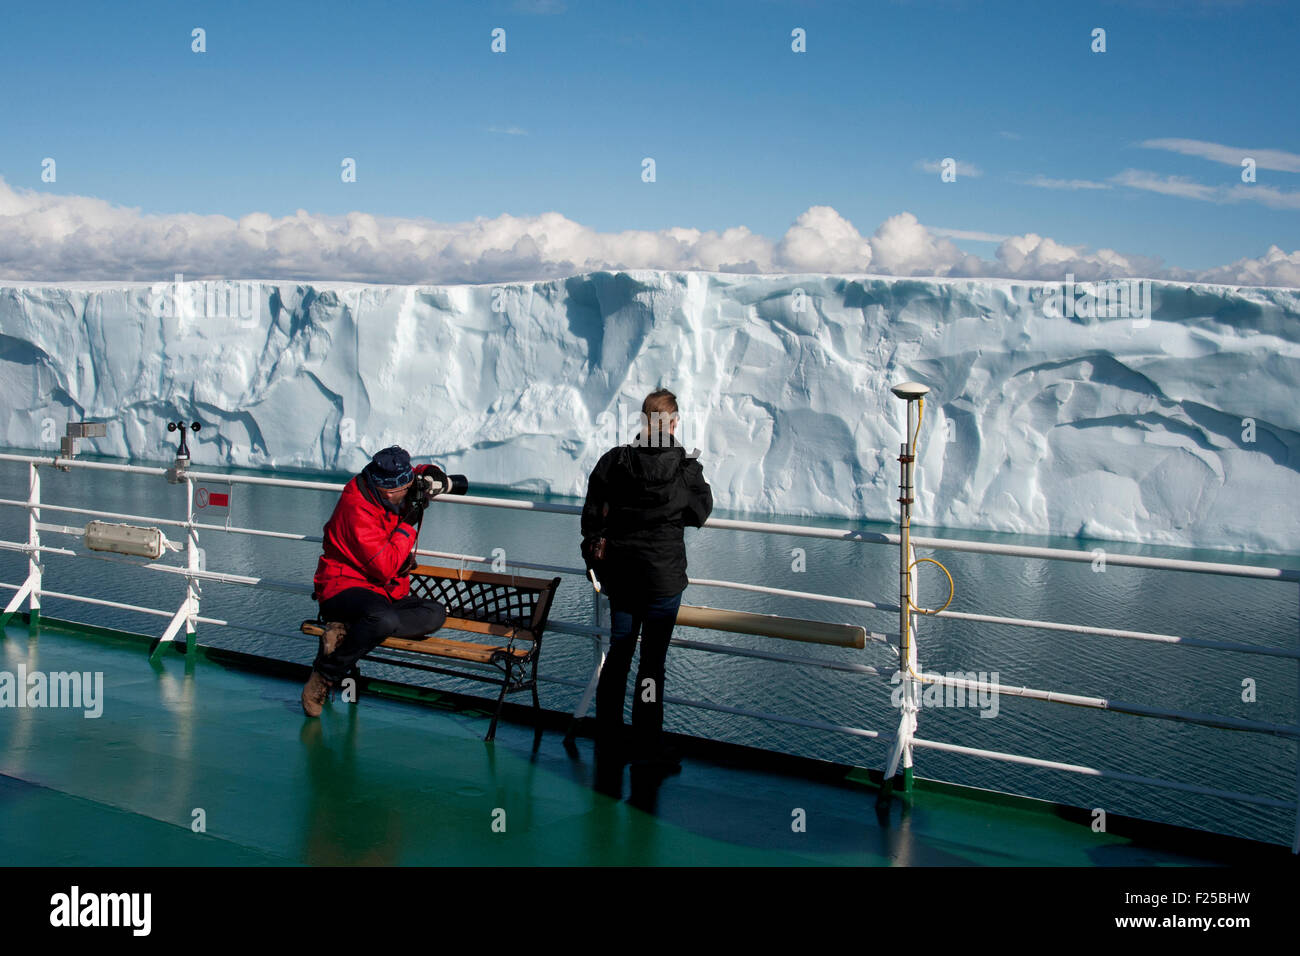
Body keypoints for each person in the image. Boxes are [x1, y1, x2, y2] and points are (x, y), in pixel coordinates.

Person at [580, 389, 713, 770]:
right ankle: (647, 746)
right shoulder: (685, 468)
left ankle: (608, 740)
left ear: (642, 422)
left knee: (619, 654)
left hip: (621, 577)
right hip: (662, 581)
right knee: (652, 664)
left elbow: (592, 512)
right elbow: (700, 512)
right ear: (672, 424)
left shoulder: (616, 461)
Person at [303, 446, 449, 717]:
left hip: (381, 594)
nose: (407, 494)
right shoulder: (357, 508)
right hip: (342, 587)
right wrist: (408, 524)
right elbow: (384, 568)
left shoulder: (384, 487)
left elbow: (408, 475)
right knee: (382, 620)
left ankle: (350, 629)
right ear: (388, 491)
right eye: (404, 491)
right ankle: (323, 675)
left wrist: (428, 473)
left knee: (435, 614)